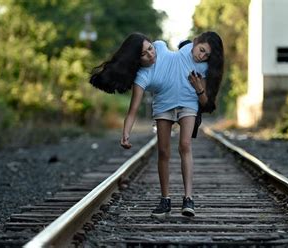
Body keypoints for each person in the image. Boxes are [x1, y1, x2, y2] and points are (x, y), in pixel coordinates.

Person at [90, 32, 224, 218]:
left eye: (150, 48)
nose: (151, 54)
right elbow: (133, 110)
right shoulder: (142, 77)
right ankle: (165, 199)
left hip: (188, 103)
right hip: (164, 107)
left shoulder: (167, 48)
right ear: (135, 59)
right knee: (163, 151)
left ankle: (188, 198)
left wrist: (199, 87)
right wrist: (125, 133)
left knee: (185, 145)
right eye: (144, 54)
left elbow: (205, 101)